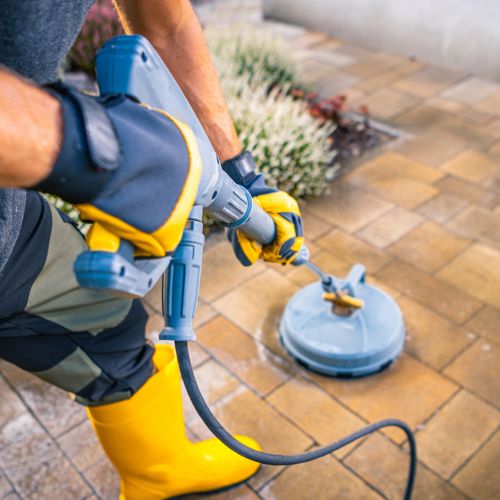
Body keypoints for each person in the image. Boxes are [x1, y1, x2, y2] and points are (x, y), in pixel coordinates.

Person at [0, 1, 304, 498]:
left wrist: (239, 174)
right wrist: (94, 148)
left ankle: (156, 472)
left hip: (8, 219)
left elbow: (166, 25)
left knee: (105, 324)